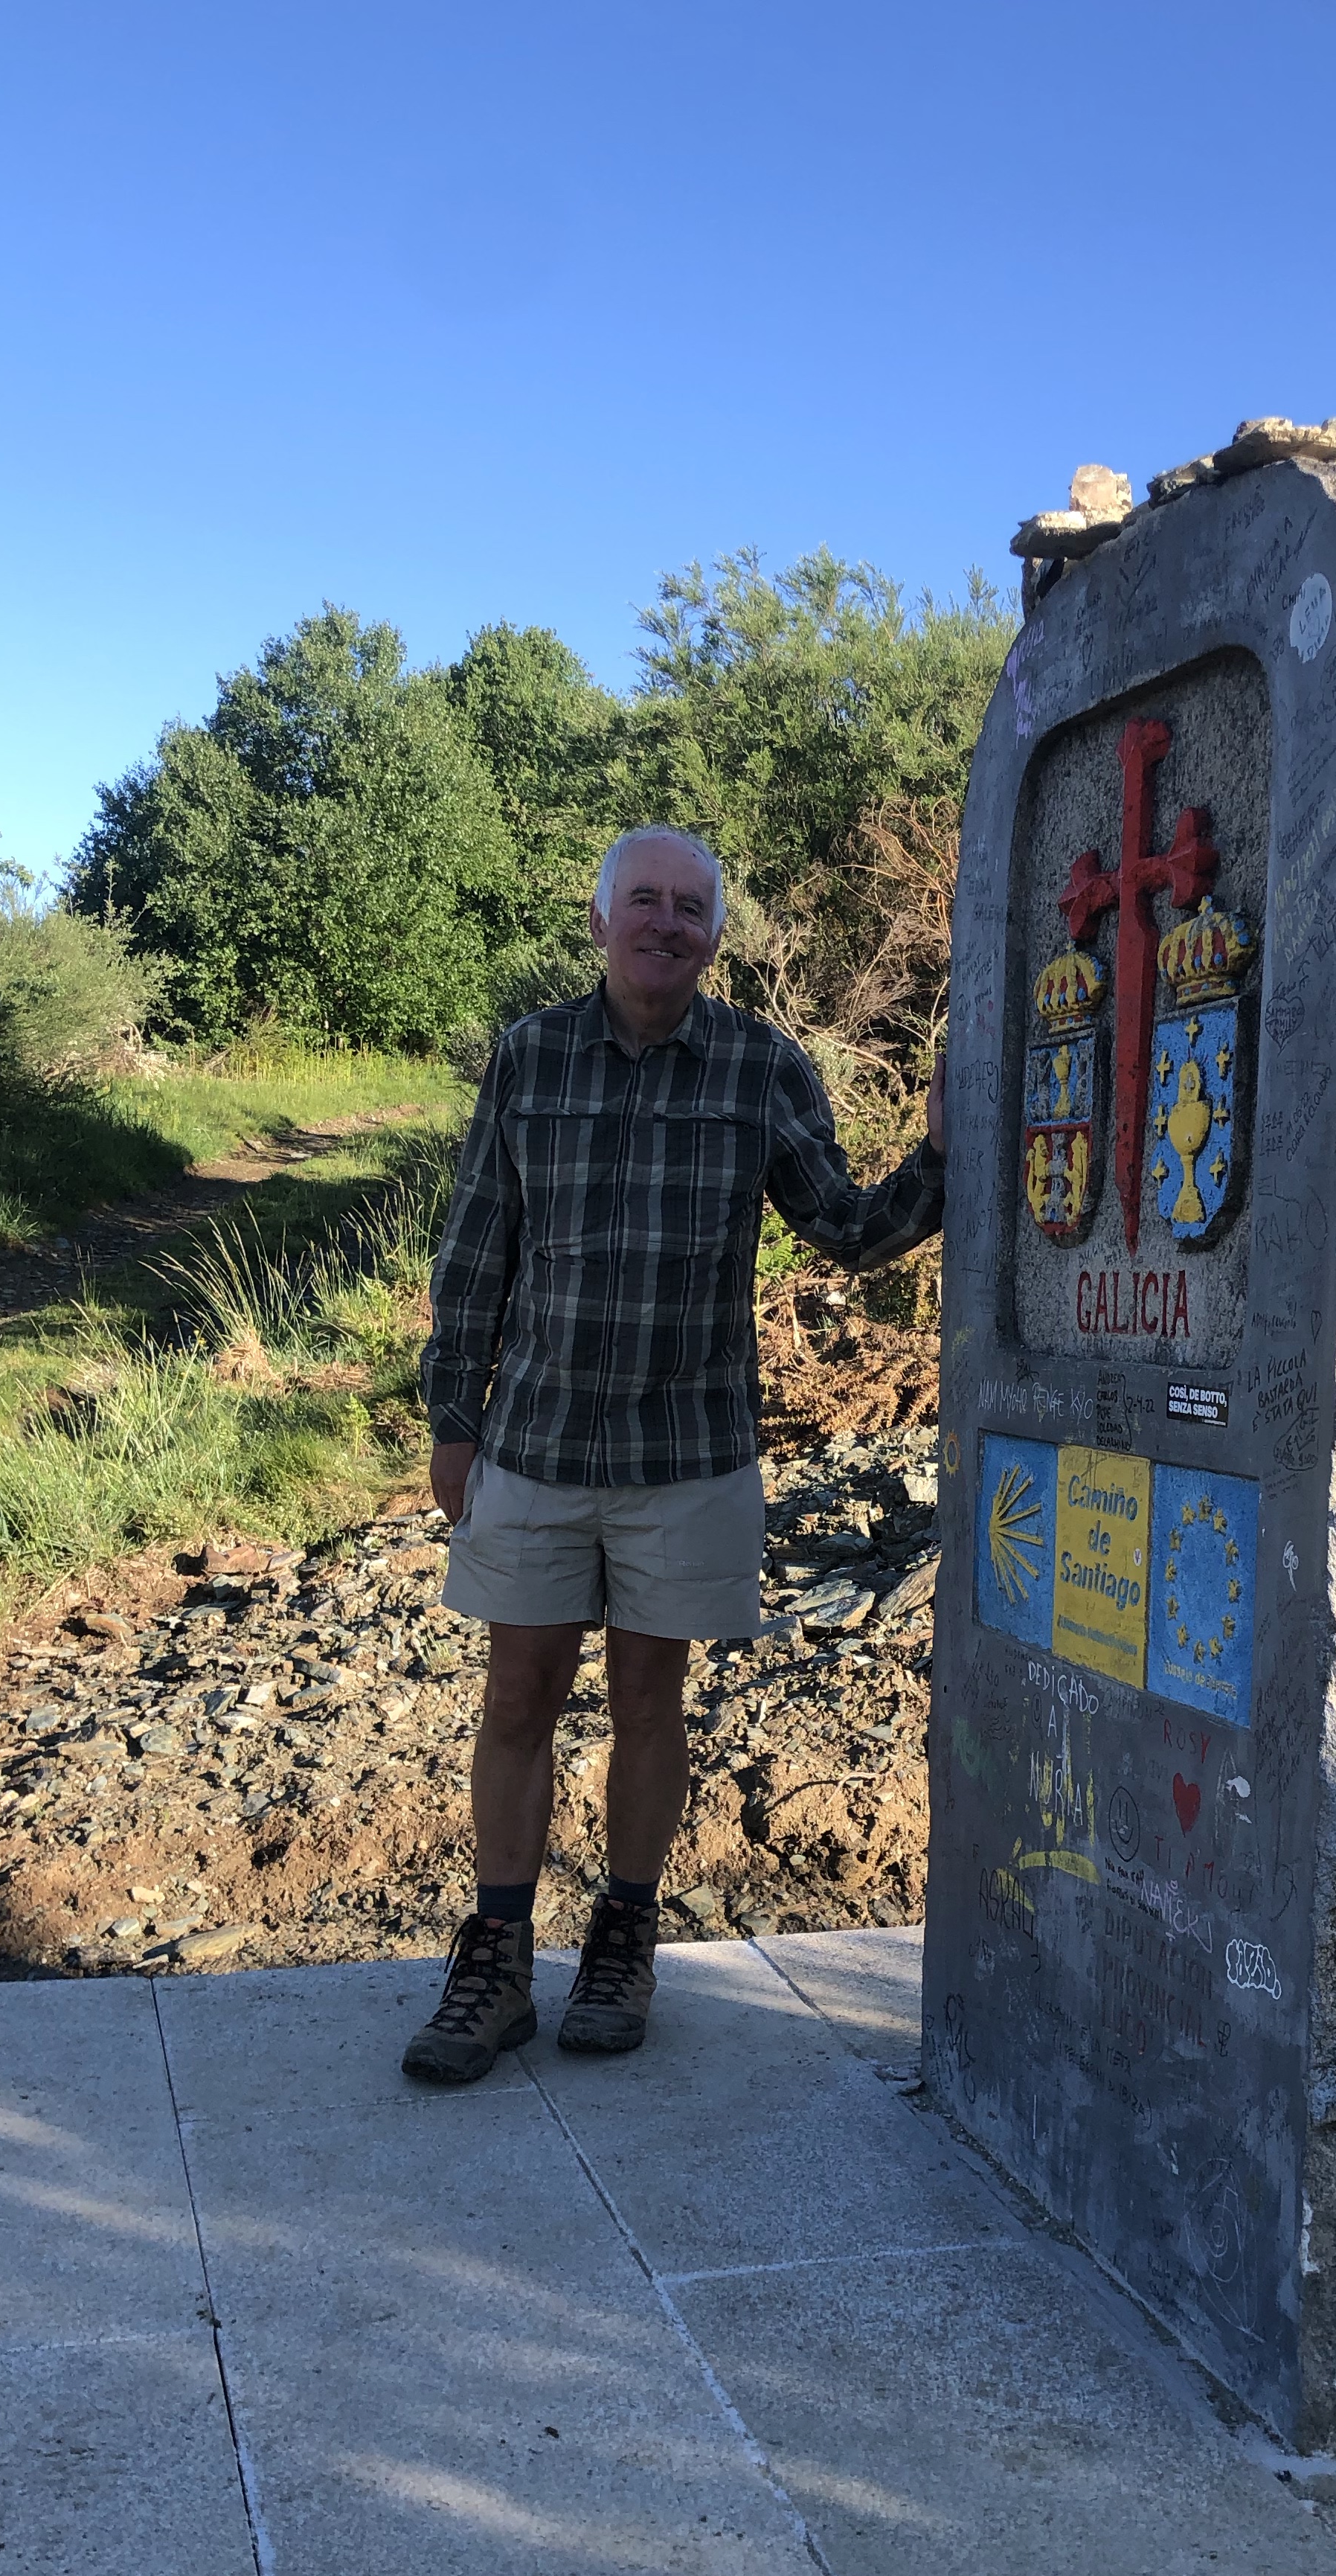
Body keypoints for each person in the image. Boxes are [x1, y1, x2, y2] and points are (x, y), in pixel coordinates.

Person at [401, 825, 946, 2084]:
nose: (664, 922)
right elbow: (477, 1245)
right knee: (518, 1698)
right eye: (642, 900)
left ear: (714, 936)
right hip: (535, 1442)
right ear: (601, 922)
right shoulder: (530, 1055)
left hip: (689, 1452)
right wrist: (453, 1417)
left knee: (653, 1702)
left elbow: (846, 1229)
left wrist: (942, 1154)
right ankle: (495, 1960)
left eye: (688, 908)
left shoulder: (762, 1065)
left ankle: (624, 1938)